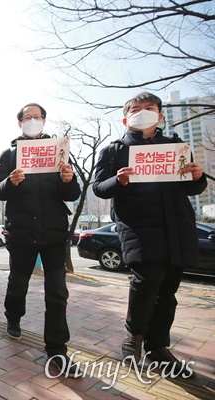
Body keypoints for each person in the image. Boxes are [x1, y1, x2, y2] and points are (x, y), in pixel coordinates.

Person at [93, 92, 206, 375]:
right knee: (147, 279)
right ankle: (134, 337)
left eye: (150, 108)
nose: (143, 112)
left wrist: (197, 176)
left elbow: (193, 189)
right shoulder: (114, 150)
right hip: (137, 225)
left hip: (176, 224)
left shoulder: (176, 146)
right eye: (137, 109)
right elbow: (98, 187)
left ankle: (158, 348)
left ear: (160, 116)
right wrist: (118, 180)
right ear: (125, 118)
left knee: (168, 289)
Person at [0, 103, 81, 376]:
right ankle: (13, 316)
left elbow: (72, 194)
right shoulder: (8, 155)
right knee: (18, 282)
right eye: (27, 117)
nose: (33, 120)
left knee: (57, 292)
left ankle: (57, 349)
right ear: (20, 123)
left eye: (38, 117)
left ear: (44, 121)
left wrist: (68, 179)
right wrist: (11, 182)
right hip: (21, 233)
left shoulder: (59, 152)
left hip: (54, 234)